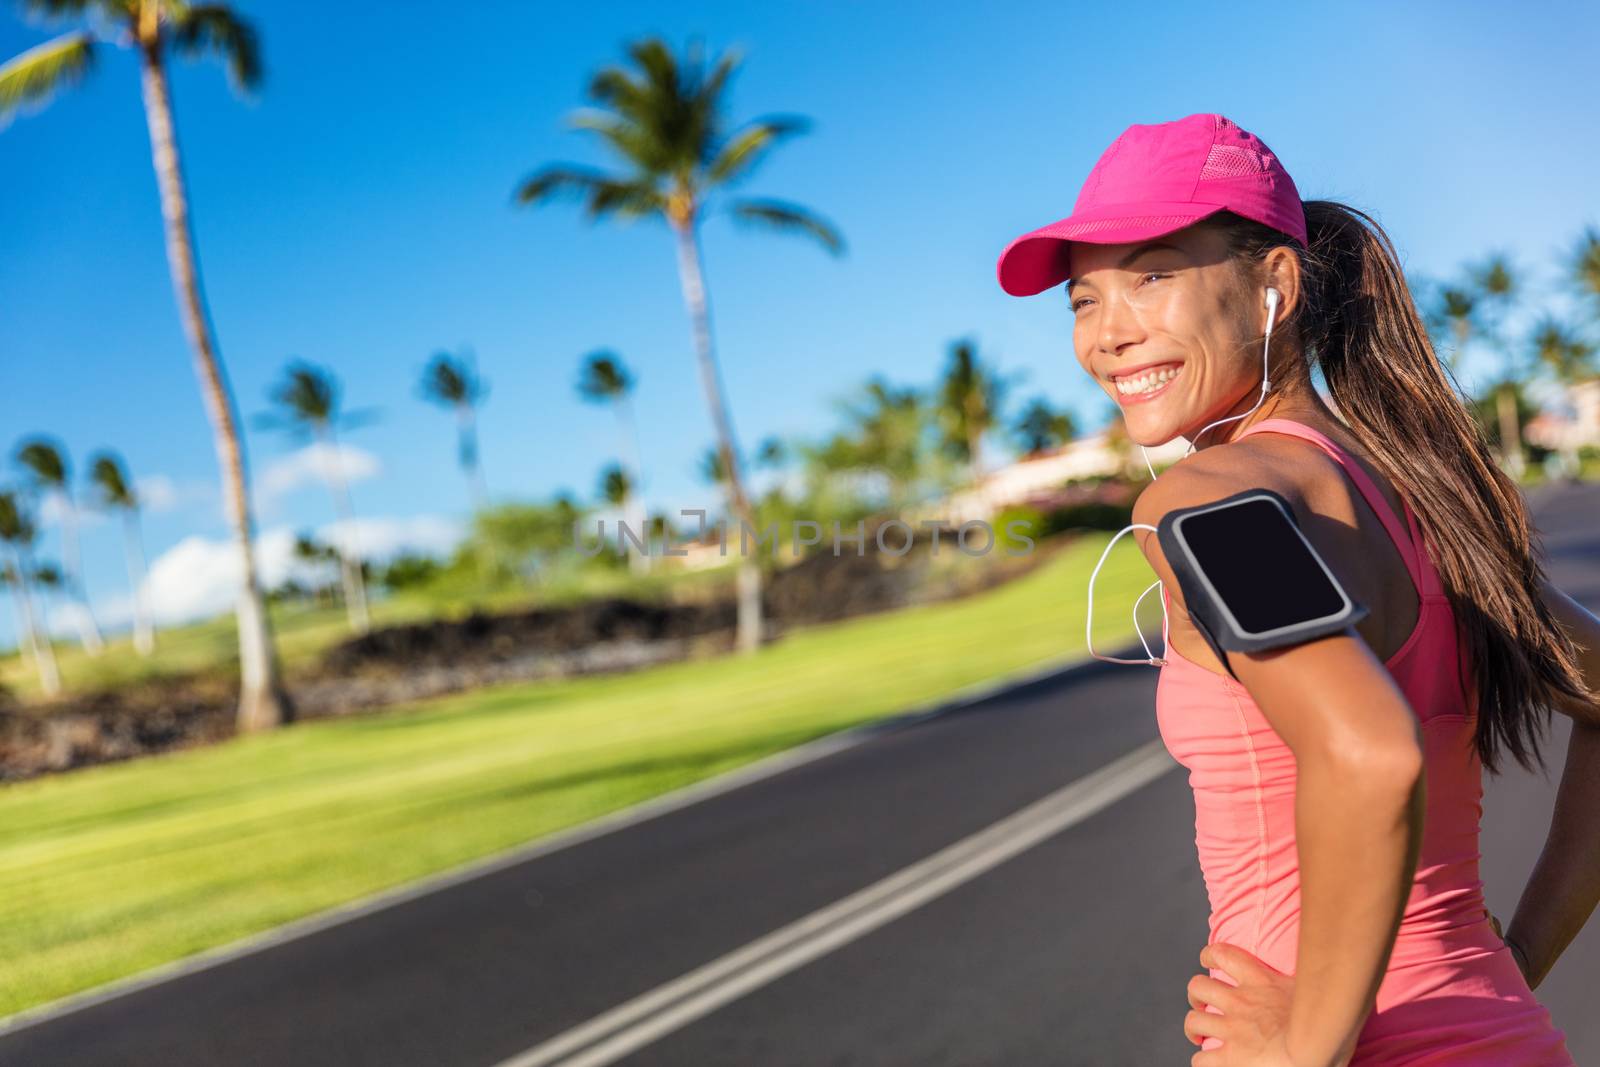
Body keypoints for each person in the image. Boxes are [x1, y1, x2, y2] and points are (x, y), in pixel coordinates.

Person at [995, 113, 1600, 1066]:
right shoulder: (1420, 499)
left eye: (1153, 275)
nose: (1109, 333)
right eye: (1082, 298)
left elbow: (1368, 752)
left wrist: (1305, 1049)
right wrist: (1517, 955)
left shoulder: (1201, 497)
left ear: (1274, 282)